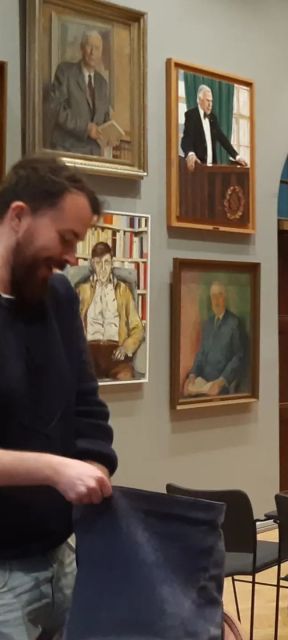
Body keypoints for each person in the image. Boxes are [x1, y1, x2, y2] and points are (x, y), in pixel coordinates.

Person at [0, 156, 117, 638]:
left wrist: (94, 465)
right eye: (66, 239)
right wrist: (55, 470)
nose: (73, 257)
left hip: (62, 558)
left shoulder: (61, 298)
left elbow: (87, 405)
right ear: (19, 216)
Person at [75, 241, 145, 381]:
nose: (103, 268)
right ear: (92, 264)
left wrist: (126, 347)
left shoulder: (123, 291)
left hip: (116, 354)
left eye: (106, 262)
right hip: (89, 353)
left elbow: (138, 328)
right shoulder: (82, 290)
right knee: (78, 379)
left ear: (112, 263)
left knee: (126, 377)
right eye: (98, 263)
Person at [47, 30, 111, 156]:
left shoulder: (102, 83)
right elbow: (55, 109)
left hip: (93, 154)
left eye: (97, 48)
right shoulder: (65, 72)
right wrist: (86, 128)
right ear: (81, 48)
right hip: (66, 150)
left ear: (101, 53)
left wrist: (110, 135)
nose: (92, 52)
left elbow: (105, 118)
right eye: (89, 46)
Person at [183, 281, 246, 397]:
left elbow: (239, 357)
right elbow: (201, 353)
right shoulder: (208, 324)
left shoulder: (234, 323)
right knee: (186, 392)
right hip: (203, 381)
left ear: (225, 298)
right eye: (213, 296)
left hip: (221, 383)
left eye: (219, 295)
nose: (216, 300)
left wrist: (221, 381)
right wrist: (193, 374)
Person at [180, 85, 248, 171]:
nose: (210, 105)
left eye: (211, 101)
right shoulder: (191, 115)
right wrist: (190, 153)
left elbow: (222, 139)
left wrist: (237, 156)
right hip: (197, 168)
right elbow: (186, 139)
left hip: (212, 168)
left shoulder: (213, 118)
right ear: (199, 100)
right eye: (207, 101)